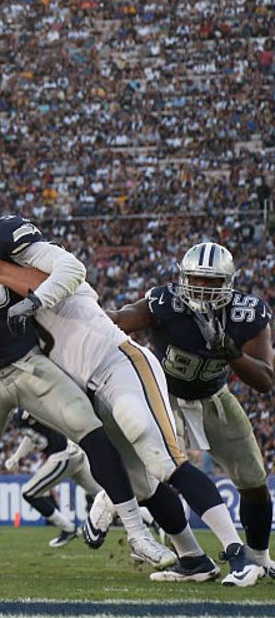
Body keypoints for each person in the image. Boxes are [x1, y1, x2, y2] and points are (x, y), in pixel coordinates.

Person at [0, 176, 170, 578]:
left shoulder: (6, 234)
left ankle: (137, 532)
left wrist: (4, 274)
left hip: (26, 364)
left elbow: (56, 275)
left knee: (92, 432)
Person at [0, 238, 263, 585]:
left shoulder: (57, 278)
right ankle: (193, 559)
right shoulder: (10, 312)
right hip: (98, 388)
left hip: (125, 368)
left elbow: (53, 281)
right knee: (144, 484)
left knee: (165, 462)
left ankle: (239, 555)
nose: (201, 288)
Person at [111, 241, 274, 578]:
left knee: (254, 481)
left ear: (228, 282)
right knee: (162, 476)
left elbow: (265, 380)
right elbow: (118, 320)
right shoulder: (164, 302)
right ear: (184, 277)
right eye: (196, 278)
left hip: (214, 397)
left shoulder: (248, 313)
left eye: (212, 280)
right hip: (165, 398)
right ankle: (190, 558)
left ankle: (258, 557)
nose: (202, 287)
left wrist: (231, 352)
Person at [2, 410, 99, 547]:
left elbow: (40, 412)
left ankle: (68, 528)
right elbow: (30, 435)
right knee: (104, 496)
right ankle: (139, 518)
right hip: (73, 452)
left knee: (29, 493)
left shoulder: (25, 407)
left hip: (64, 454)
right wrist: (16, 457)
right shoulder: (18, 414)